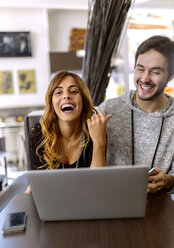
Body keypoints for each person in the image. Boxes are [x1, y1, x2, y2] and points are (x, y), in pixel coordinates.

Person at [97, 35, 174, 193]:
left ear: (171, 76)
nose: (145, 78)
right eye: (140, 69)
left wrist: (168, 181)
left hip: (160, 210)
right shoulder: (107, 110)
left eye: (155, 72)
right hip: (111, 203)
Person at [28, 70, 111, 170]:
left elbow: (97, 181)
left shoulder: (94, 131)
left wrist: (99, 142)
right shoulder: (39, 133)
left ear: (83, 101)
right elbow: (36, 182)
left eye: (73, 91)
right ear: (52, 103)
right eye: (59, 92)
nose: (66, 96)